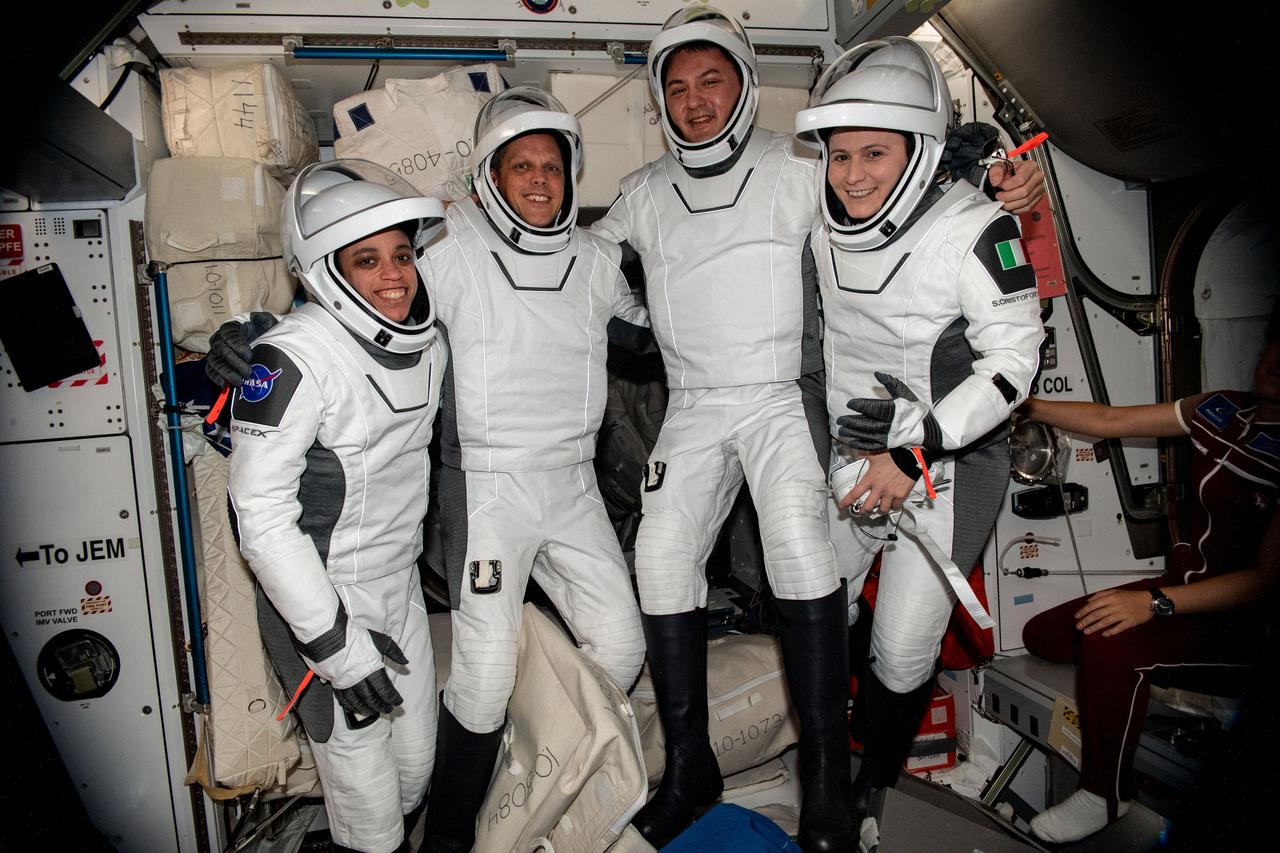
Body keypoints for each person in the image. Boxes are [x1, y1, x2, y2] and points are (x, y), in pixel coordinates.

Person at [588, 8, 1045, 849]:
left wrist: (997, 181)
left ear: (746, 84)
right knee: (672, 563)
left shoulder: (809, 176)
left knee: (901, 651)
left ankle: (855, 784)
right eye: (676, 88)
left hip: (932, 450)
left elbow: (1002, 333)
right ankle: (698, 764)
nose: (853, 174)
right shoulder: (674, 194)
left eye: (711, 80)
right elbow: (583, 259)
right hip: (821, 433)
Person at [793, 36, 1045, 841]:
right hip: (852, 453)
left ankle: (874, 783)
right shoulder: (820, 220)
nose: (854, 174)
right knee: (814, 614)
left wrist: (915, 450)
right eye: (839, 155)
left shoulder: (978, 229)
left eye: (875, 152)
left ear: (919, 152)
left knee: (902, 653)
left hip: (945, 463)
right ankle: (826, 780)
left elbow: (1016, 361)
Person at [420, 87, 651, 852]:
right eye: (522, 165)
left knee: (621, 646)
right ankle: (450, 839)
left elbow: (660, 334)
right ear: (491, 175)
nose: (540, 180)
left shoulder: (592, 263)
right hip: (494, 487)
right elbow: (371, 304)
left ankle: (547, 779)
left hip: (573, 483)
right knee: (481, 680)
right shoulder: (451, 254)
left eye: (553, 165)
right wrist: (258, 339)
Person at [227, 160, 448, 853]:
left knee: (414, 778)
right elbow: (258, 515)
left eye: (403, 254)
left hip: (399, 587)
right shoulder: (294, 356)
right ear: (325, 270)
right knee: (373, 816)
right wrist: (335, 649)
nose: (393, 275)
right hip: (322, 607)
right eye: (367, 260)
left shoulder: (430, 343)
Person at [1018, 321, 1280, 844]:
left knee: (1109, 642)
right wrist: (1021, 405)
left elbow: (1265, 581)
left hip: (1240, 622)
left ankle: (1105, 793)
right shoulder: (1225, 409)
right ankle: (1118, 677)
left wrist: (1153, 606)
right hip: (1183, 586)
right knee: (1042, 635)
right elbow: (1111, 420)